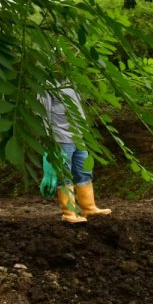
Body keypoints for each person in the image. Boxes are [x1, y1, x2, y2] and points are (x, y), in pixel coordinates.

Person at [39, 86, 111, 223]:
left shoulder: (69, 81)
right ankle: (69, 213)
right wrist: (48, 141)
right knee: (64, 173)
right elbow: (42, 114)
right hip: (60, 137)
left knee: (84, 170)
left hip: (78, 136)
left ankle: (89, 208)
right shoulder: (46, 85)